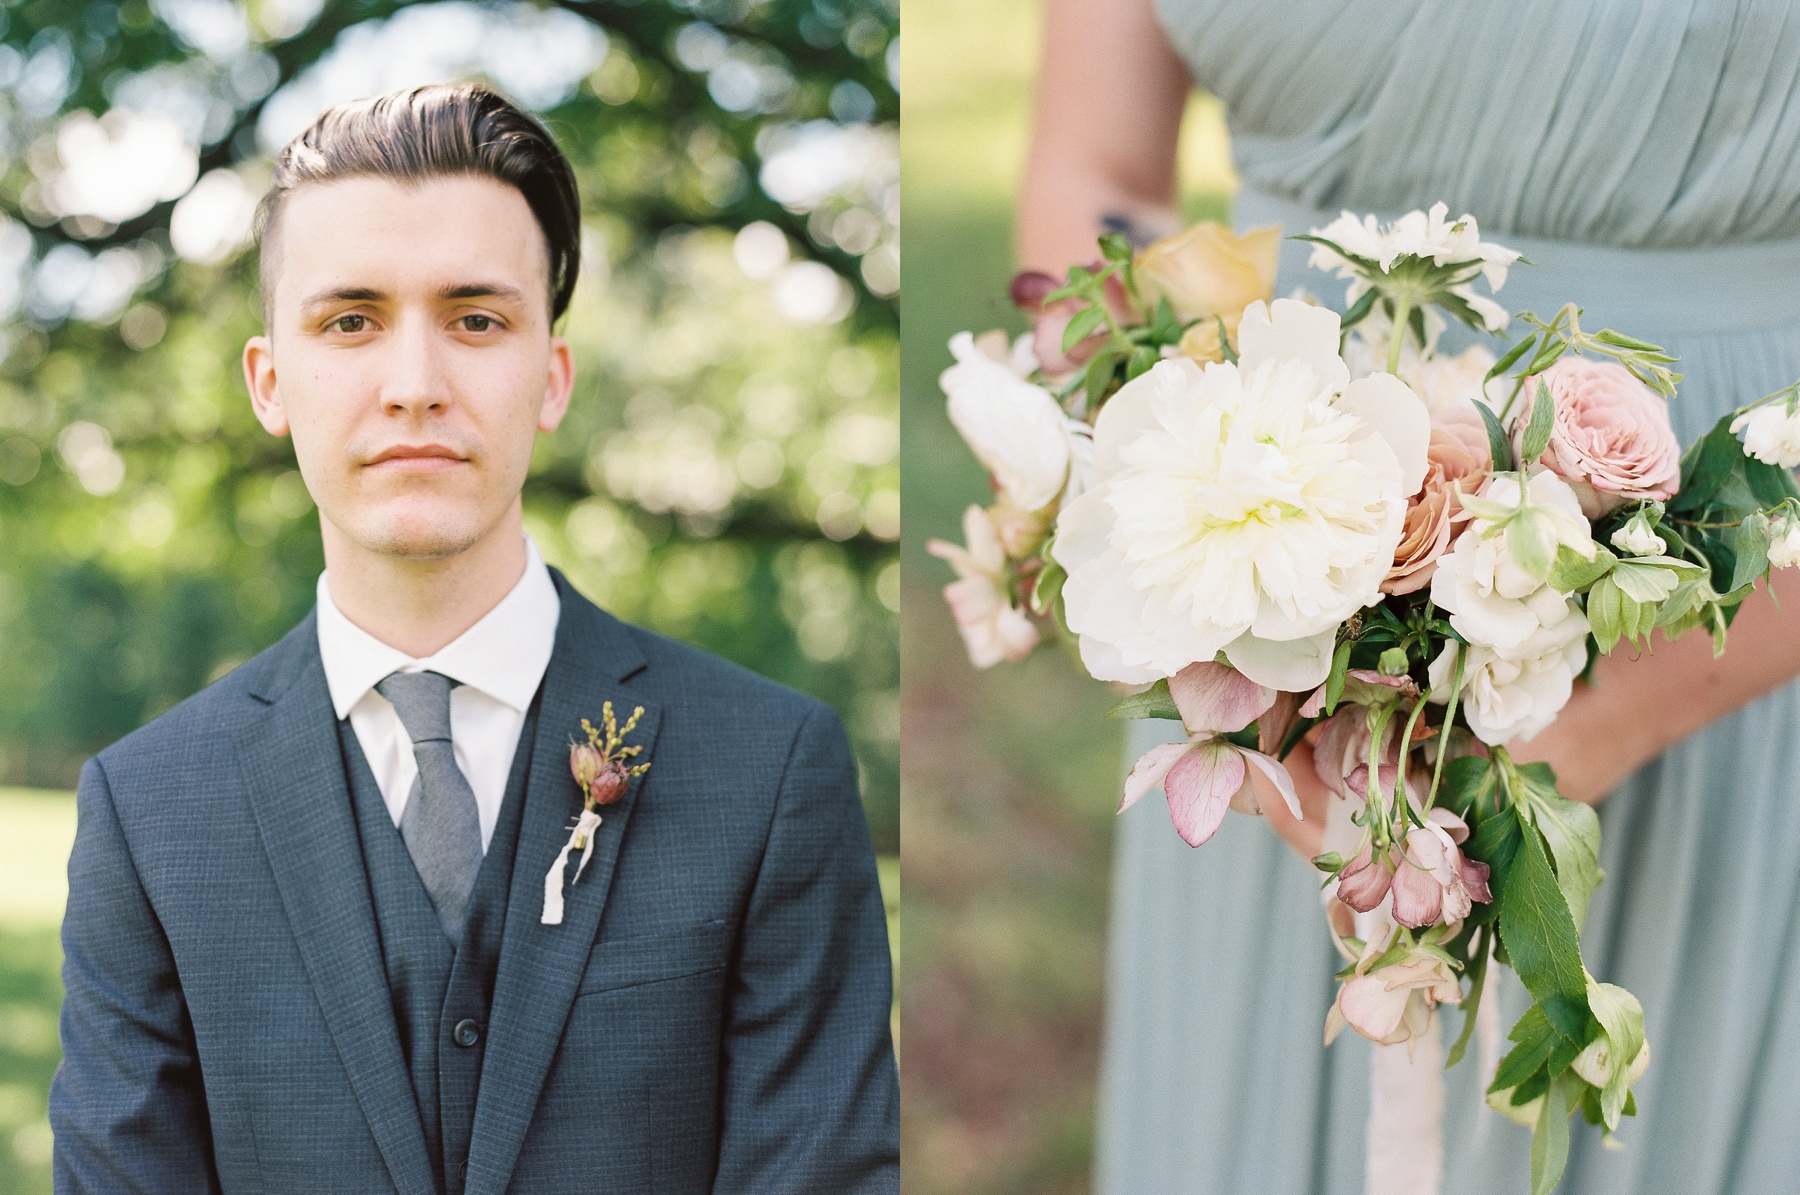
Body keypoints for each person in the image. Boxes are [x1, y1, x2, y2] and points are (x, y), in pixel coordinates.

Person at [47, 83, 899, 1194]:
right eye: (350, 321)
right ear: (270, 382)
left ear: (551, 377)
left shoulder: (773, 769)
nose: (415, 387)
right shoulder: (146, 809)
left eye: (476, 319)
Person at [1020, 1, 1800, 1191]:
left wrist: (1626, 703)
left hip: (1732, 608)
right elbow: (1100, 174)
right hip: (1272, 635)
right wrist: (1161, 509)